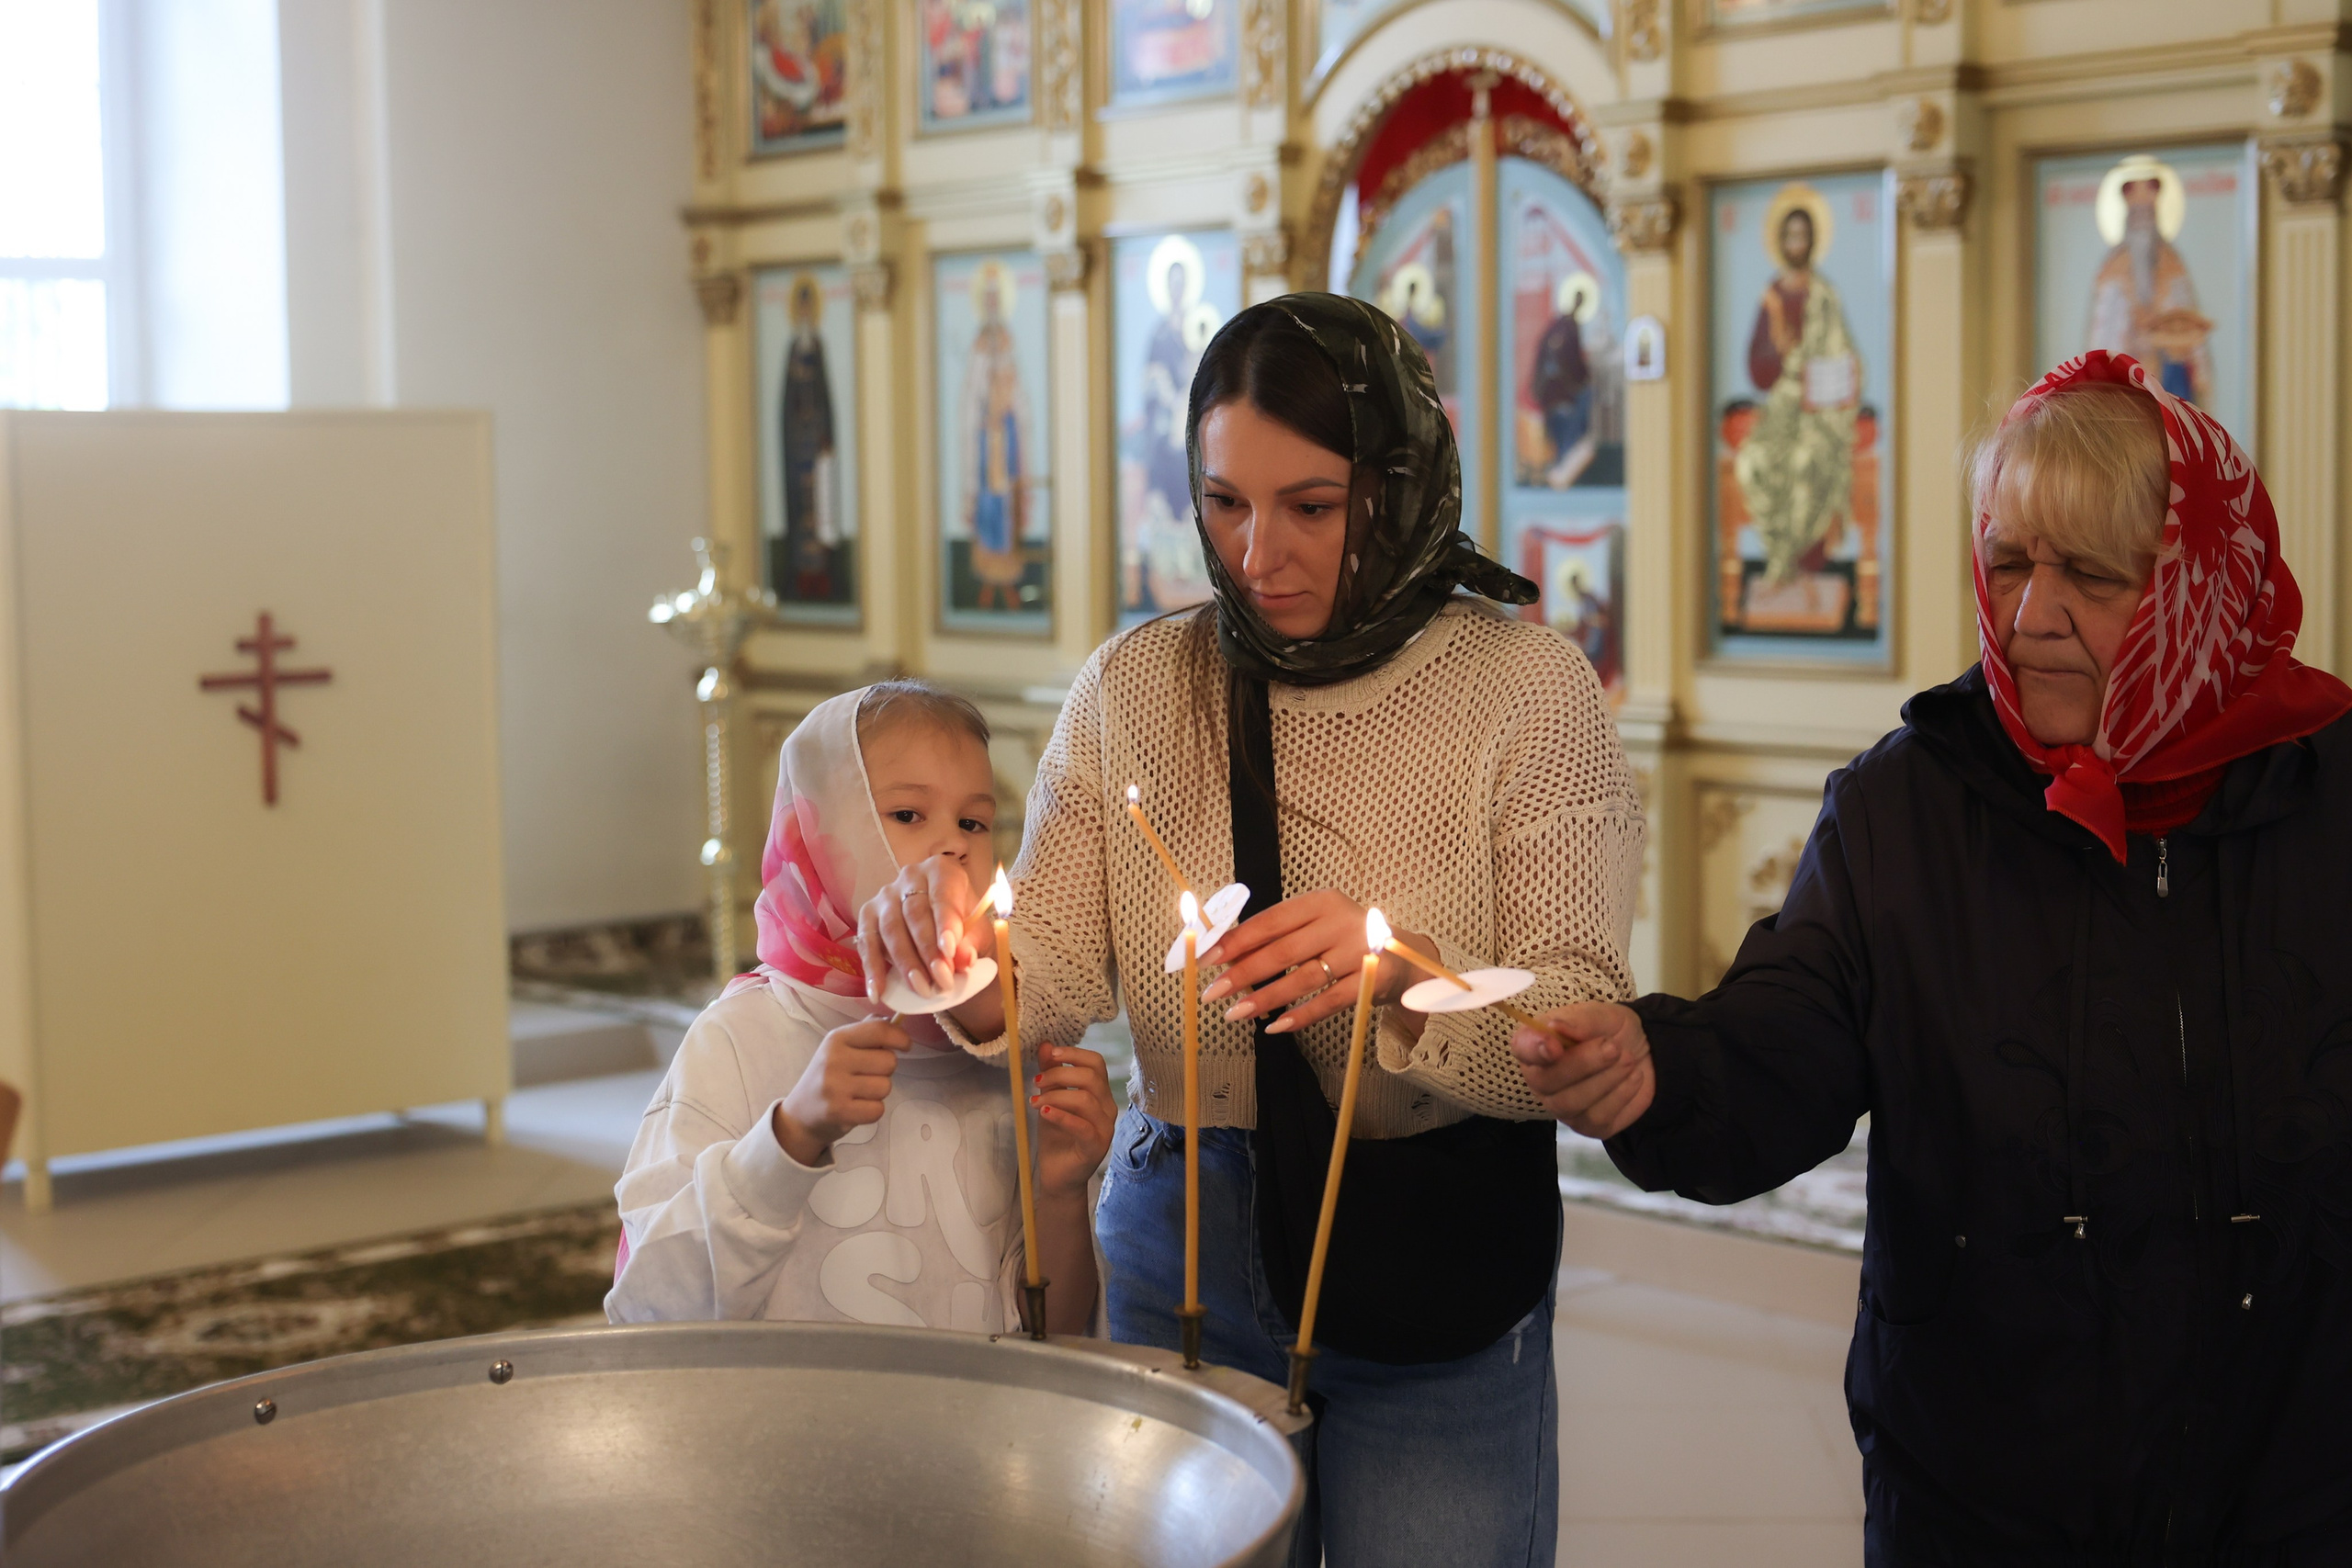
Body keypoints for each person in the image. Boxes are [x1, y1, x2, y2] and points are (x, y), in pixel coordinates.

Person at [1511, 351, 2352, 1563]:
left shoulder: (2328, 798)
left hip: (2297, 1491)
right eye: (2007, 562)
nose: (2029, 616)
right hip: (1982, 1493)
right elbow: (1789, 1032)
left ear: (2200, 582)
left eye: (2091, 575)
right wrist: (1663, 1071)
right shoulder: (1905, 810)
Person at [860, 293, 1645, 1568]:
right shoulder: (1135, 684)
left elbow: (1574, 1022)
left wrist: (1402, 981)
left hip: (1427, 1229)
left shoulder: (1523, 686)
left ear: (1395, 485)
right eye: (1224, 501)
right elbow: (1041, 970)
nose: (1257, 553)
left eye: (1312, 507)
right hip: (1183, 1231)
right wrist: (946, 951)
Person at [605, 680, 1115, 1333]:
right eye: (908, 815)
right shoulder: (739, 1039)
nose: (954, 847)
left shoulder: (1002, 1044)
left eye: (973, 822)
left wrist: (1061, 1194)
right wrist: (791, 1134)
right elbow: (652, 1308)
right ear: (816, 834)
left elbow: (1055, 1335)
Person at [1736, 191, 1860, 586]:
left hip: (1820, 408)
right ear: (1780, 242)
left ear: (1812, 241)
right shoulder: (1771, 297)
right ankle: (1776, 550)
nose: (1796, 244)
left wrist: (1826, 380)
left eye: (1802, 236)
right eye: (1789, 236)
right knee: (1751, 462)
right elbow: (1757, 367)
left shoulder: (1824, 296)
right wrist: (1777, 354)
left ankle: (1787, 562)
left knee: (1806, 461)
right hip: (1781, 405)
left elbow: (1842, 355)